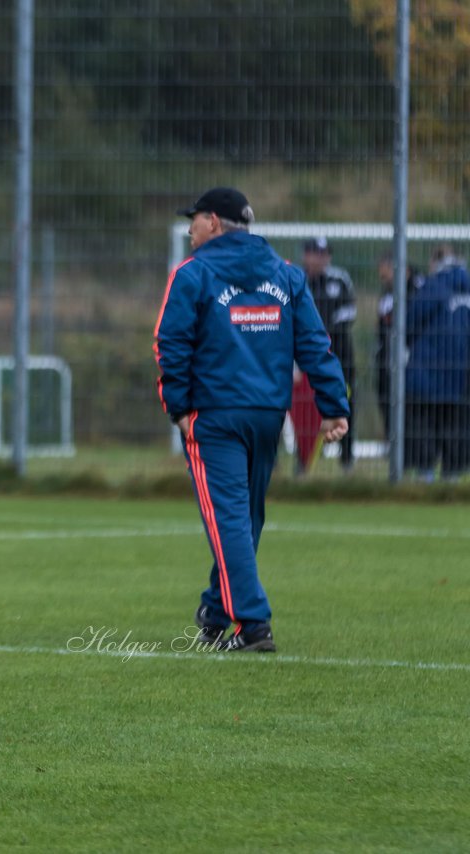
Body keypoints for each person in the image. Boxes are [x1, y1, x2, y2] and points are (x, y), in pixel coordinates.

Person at [155, 187, 349, 652]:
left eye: (196, 219)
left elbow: (170, 344)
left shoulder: (192, 275)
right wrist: (334, 403)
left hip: (215, 416)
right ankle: (217, 609)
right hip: (265, 414)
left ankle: (253, 625)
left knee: (229, 521)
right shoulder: (287, 275)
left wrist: (179, 410)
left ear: (215, 223)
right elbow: (314, 344)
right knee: (246, 519)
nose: (189, 228)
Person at [405, 245, 470, 480]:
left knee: (423, 425)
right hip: (462, 375)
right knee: (456, 426)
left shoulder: (433, 286)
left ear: (436, 262)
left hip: (427, 371)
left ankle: (426, 476)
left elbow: (409, 322)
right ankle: (452, 479)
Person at [301, 236, 357, 471]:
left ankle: (346, 461)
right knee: (303, 407)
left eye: (324, 254)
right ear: (306, 255)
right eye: (315, 253)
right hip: (305, 356)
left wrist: (325, 330)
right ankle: (303, 460)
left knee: (346, 404)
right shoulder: (297, 279)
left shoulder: (339, 279)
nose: (320, 258)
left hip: (340, 355)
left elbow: (350, 310)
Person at [374, 250, 420, 445]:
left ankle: (409, 450)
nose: (385, 280)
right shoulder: (387, 295)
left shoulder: (418, 290)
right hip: (386, 359)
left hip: (410, 359)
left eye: (386, 275)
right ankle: (392, 445)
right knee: (386, 400)